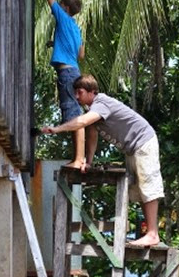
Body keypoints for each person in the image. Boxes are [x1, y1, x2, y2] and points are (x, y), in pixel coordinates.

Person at [41, 74, 165, 247]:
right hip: (132, 149)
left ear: (92, 92)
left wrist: (57, 129)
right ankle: (149, 233)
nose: (77, 97)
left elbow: (82, 122)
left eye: (80, 92)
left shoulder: (101, 103)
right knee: (139, 189)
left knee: (148, 186)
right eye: (75, 93)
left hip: (144, 142)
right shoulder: (94, 111)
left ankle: (153, 234)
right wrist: (88, 162)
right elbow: (92, 136)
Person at [37, 0, 85, 169]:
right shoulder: (76, 27)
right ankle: (78, 157)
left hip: (66, 73)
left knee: (74, 116)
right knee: (74, 113)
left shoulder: (63, 18)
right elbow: (81, 54)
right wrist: (54, 42)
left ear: (65, 8)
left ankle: (79, 159)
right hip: (74, 70)